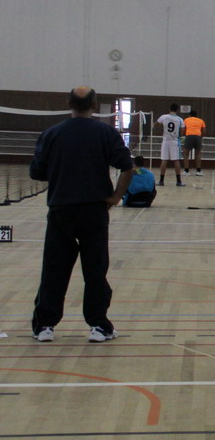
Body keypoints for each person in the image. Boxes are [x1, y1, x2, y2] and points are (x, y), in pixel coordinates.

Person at [29, 86, 134, 343]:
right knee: (95, 270)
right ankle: (98, 325)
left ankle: (44, 326)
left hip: (61, 210)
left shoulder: (51, 134)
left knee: (54, 269)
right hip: (94, 211)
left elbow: (36, 172)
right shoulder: (106, 133)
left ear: (69, 103)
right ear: (94, 105)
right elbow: (127, 167)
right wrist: (116, 197)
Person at [156, 103, 185, 186]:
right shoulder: (180, 120)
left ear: (170, 109)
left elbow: (156, 124)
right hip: (175, 141)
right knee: (176, 160)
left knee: (164, 160)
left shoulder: (164, 117)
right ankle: (178, 181)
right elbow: (182, 133)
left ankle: (161, 181)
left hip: (165, 141)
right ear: (177, 110)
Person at [182, 108, 207, 176]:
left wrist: (183, 135)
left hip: (189, 136)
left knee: (186, 154)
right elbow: (204, 131)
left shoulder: (186, 119)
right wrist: (200, 137)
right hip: (198, 136)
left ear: (190, 115)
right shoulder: (201, 120)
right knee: (198, 154)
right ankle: (198, 171)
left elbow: (183, 129)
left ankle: (186, 171)